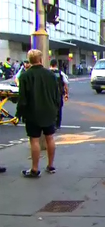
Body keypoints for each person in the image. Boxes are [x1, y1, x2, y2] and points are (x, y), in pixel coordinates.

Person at [16, 49, 60, 178]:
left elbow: (22, 98)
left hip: (32, 112)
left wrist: (19, 114)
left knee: (34, 140)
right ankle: (50, 165)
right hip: (49, 111)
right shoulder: (51, 75)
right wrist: (56, 109)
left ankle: (34, 169)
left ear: (29, 61)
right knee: (50, 138)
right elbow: (57, 94)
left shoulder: (25, 76)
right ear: (41, 60)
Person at [49, 59, 69, 129]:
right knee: (59, 109)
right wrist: (66, 94)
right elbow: (66, 83)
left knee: (50, 108)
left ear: (50, 64)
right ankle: (58, 124)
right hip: (58, 94)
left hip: (49, 94)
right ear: (56, 64)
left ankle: (51, 123)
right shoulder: (60, 73)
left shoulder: (47, 72)